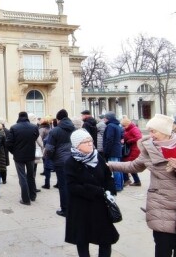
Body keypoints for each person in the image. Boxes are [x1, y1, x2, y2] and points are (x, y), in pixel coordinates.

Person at [107, 114, 176, 257]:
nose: (150, 135)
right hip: (160, 205)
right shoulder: (149, 148)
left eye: (153, 131)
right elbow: (134, 166)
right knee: (162, 249)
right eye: (149, 131)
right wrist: (108, 166)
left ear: (165, 131)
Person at [65, 129, 119, 257]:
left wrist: (110, 191)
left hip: (100, 206)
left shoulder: (98, 157)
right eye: (85, 142)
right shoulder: (70, 162)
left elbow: (107, 177)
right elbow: (72, 186)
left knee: (106, 239)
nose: (90, 144)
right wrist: (95, 190)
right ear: (77, 145)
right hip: (81, 207)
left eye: (90, 141)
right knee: (82, 239)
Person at [44, 109, 75, 217]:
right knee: (71, 184)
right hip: (73, 160)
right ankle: (72, 207)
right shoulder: (74, 128)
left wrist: (50, 158)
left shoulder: (55, 131)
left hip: (60, 161)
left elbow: (49, 149)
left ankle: (65, 209)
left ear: (58, 119)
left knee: (63, 186)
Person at [6, 111, 39, 206]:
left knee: (22, 177)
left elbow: (8, 143)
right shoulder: (34, 127)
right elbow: (35, 137)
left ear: (19, 117)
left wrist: (14, 151)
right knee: (31, 176)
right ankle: (33, 195)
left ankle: (25, 199)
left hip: (19, 156)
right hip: (30, 155)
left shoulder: (14, 127)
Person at [103, 112, 124, 191]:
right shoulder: (116, 125)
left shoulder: (110, 126)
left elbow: (109, 139)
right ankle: (120, 185)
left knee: (115, 169)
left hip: (112, 150)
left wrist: (106, 151)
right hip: (117, 149)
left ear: (108, 118)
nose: (104, 119)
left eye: (105, 118)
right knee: (119, 168)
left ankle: (117, 186)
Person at [121, 116, 142, 186]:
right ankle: (136, 181)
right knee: (129, 165)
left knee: (126, 164)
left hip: (133, 150)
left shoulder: (134, 129)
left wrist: (129, 141)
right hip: (131, 149)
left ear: (127, 124)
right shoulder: (129, 129)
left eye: (124, 125)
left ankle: (127, 180)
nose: (123, 127)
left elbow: (139, 137)